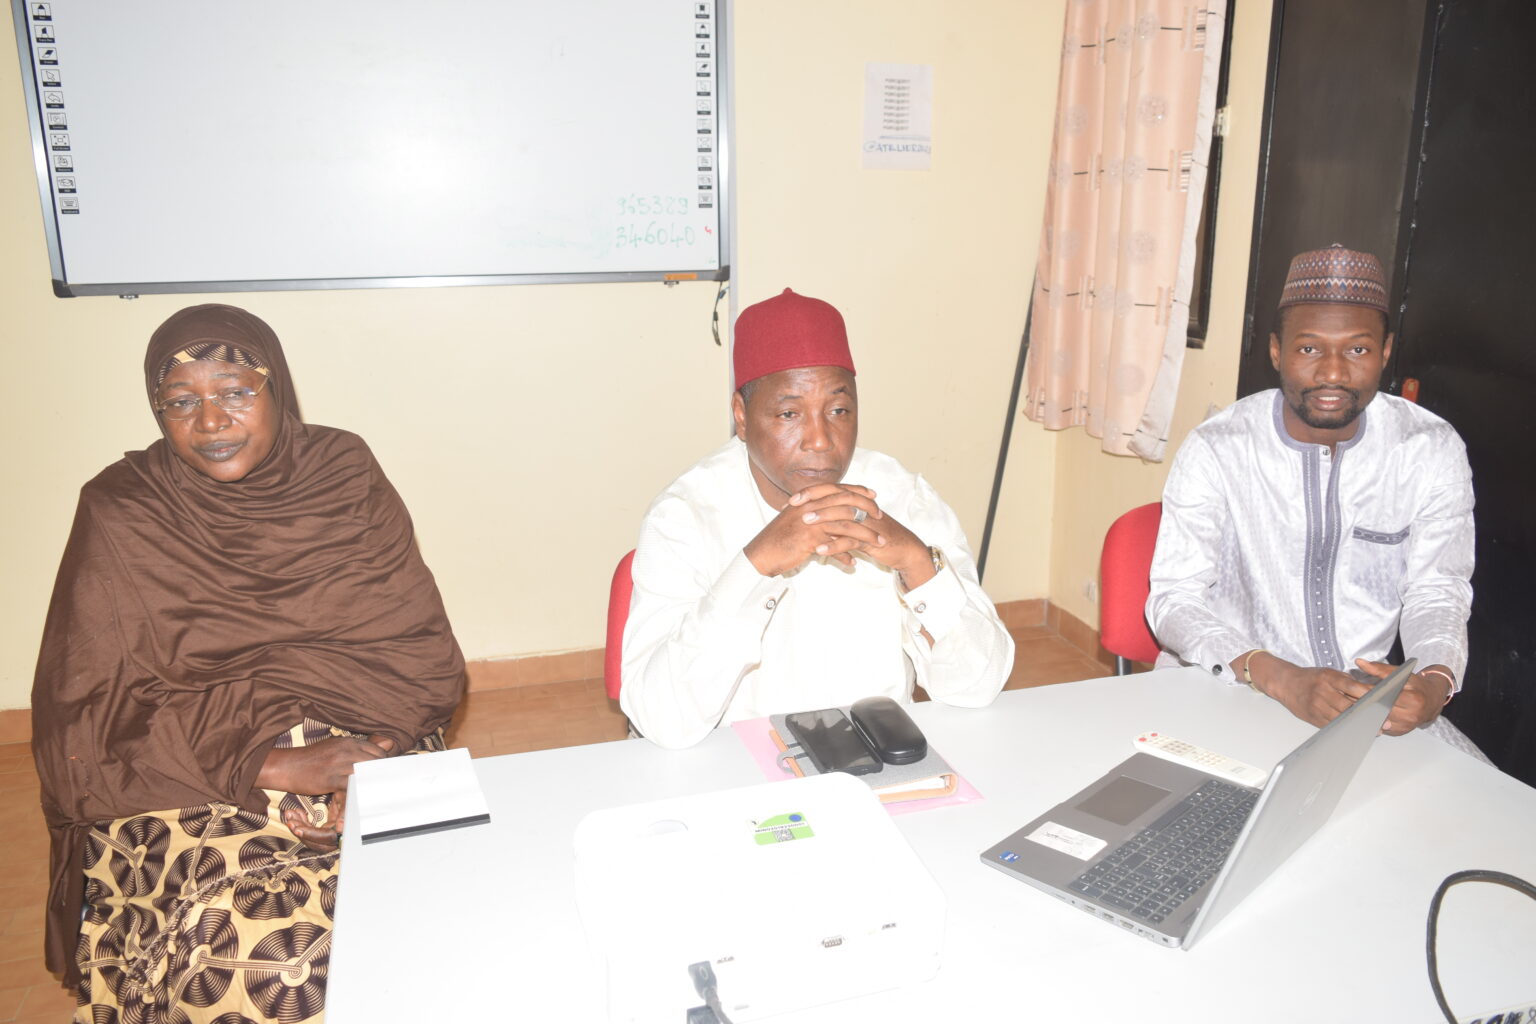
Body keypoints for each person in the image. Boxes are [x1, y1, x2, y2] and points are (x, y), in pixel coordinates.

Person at [31, 305, 465, 1023]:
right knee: (280, 969)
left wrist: (373, 763)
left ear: (276, 389)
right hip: (178, 766)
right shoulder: (122, 508)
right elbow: (85, 717)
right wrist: (273, 765)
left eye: (235, 391)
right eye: (181, 401)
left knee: (452, 922)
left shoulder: (341, 470)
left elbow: (417, 644)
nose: (210, 422)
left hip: (369, 730)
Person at [621, 288, 1013, 749]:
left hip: (878, 760)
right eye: (789, 413)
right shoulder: (685, 516)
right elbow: (662, 720)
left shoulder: (902, 497)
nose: (821, 440)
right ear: (742, 417)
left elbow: (977, 685)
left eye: (839, 410)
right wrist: (754, 566)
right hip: (736, 764)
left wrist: (916, 564)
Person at [1146, 245, 1477, 745]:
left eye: (1358, 350)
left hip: (1363, 703)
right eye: (1309, 349)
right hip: (1229, 685)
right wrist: (1280, 678)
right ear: (1276, 351)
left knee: (1476, 793)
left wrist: (1434, 680)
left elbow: (1438, 589)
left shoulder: (1428, 449)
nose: (1333, 374)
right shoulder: (1218, 448)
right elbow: (1174, 598)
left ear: (1386, 352)